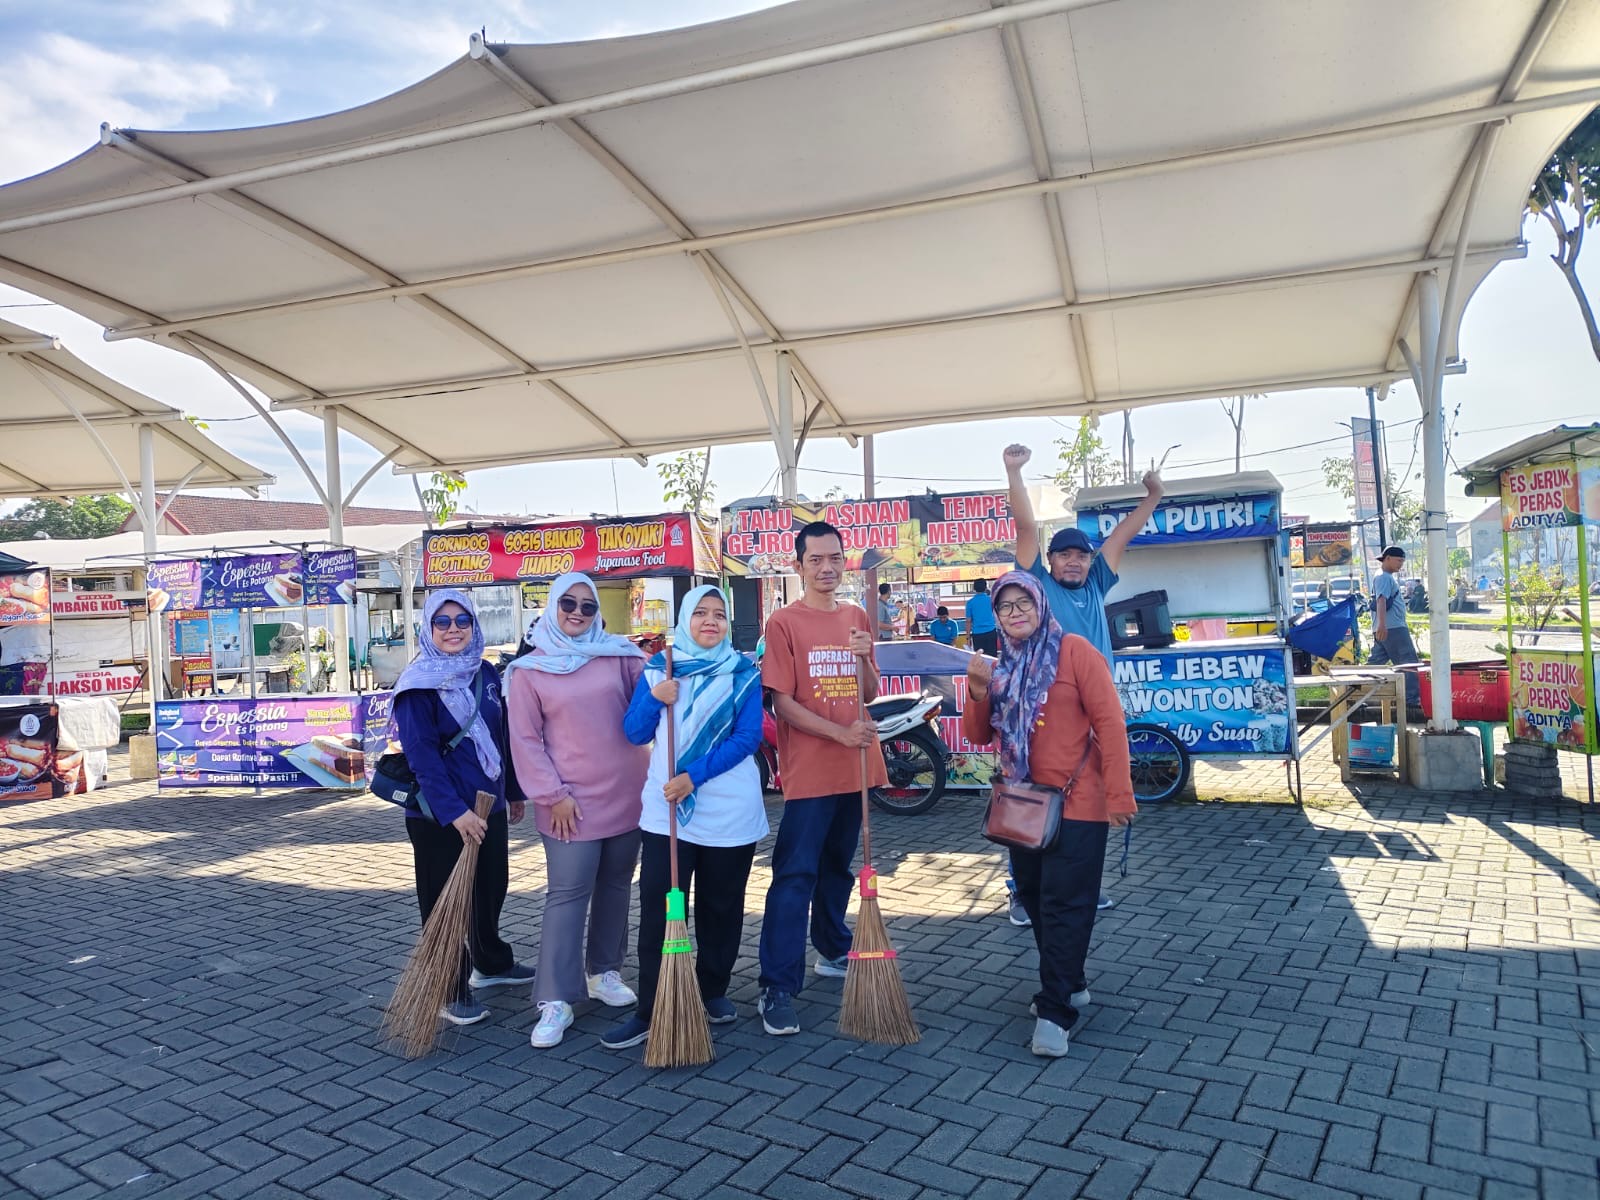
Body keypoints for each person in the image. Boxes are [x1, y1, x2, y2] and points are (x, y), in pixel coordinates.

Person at [963, 571, 1135, 1058]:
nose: (1015, 612)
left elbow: (1110, 723)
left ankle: (1055, 1010)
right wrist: (976, 692)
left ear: (1041, 605)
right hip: (1023, 806)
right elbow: (979, 736)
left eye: (1023, 603)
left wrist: (1120, 795)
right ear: (995, 616)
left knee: (1065, 903)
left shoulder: (1075, 652)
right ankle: (1070, 979)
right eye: (1005, 606)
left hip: (1079, 802)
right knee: (1036, 898)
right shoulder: (1002, 664)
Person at [1001, 444, 1161, 924]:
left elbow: (1123, 535)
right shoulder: (1039, 587)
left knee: (1086, 799)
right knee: (1031, 795)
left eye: (1081, 556)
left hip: (1093, 709)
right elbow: (1025, 528)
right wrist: (1014, 472)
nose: (1074, 562)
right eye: (1064, 555)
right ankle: (1021, 890)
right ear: (1049, 561)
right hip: (1047, 711)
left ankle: (1079, 886)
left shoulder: (1096, 584)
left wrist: (1153, 497)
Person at [601, 586, 767, 1050]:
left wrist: (694, 776)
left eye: (719, 614)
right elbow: (634, 732)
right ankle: (650, 1007)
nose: (710, 621)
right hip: (666, 811)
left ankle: (712, 990)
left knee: (721, 906)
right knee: (660, 908)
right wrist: (656, 697)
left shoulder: (743, 673)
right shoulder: (660, 668)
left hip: (728, 809)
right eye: (701, 613)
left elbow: (747, 738)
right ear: (685, 619)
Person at [506, 573, 649, 1049]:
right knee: (568, 894)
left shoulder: (618, 655)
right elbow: (525, 740)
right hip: (567, 802)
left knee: (616, 885)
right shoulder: (529, 670)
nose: (577, 612)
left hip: (627, 793)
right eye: (568, 603)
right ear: (551, 606)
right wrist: (551, 794)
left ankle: (604, 971)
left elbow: (653, 696)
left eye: (588, 606)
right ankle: (555, 996)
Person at [757, 521, 888, 1036]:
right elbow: (782, 703)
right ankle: (777, 984)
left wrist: (864, 658)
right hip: (811, 773)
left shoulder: (856, 617)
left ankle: (833, 948)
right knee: (795, 875)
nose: (827, 568)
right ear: (799, 566)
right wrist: (839, 734)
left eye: (834, 558)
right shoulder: (783, 623)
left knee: (838, 868)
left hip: (855, 770)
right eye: (815, 559)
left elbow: (870, 692)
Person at [393, 589, 534, 1028]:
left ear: (474, 625)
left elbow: (502, 735)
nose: (453, 630)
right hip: (439, 816)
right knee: (444, 902)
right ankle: (449, 987)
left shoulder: (485, 672)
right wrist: (455, 813)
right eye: (442, 622)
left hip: (488, 805)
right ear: (428, 628)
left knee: (491, 887)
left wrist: (513, 791)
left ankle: (491, 963)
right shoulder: (417, 685)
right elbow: (422, 757)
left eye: (462, 621)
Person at [1368, 546, 1421, 705]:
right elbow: (1381, 600)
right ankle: (1411, 698)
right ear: (1388, 558)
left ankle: (1356, 690)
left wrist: (1380, 625)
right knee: (1408, 663)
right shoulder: (1384, 577)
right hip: (1393, 628)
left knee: (1374, 664)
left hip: (1386, 628)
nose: (1401, 564)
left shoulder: (1382, 576)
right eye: (1399, 560)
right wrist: (1382, 625)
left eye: (1402, 561)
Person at [966, 577, 998, 655]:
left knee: (979, 658)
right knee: (992, 657)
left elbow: (968, 621)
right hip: (991, 632)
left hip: (977, 634)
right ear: (985, 587)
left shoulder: (970, 603)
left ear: (974, 588)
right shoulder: (991, 600)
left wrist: (968, 638)